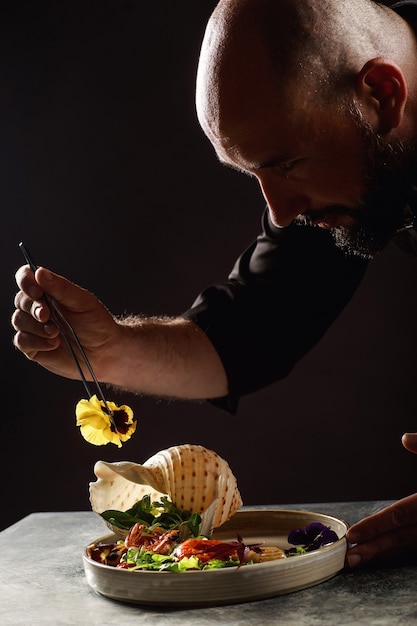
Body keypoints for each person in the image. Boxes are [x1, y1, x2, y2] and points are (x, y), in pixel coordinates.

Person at [11, 0, 417, 567]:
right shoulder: (338, 150)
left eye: (286, 164)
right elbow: (249, 330)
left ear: (382, 93)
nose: (278, 212)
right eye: (254, 174)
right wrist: (111, 349)